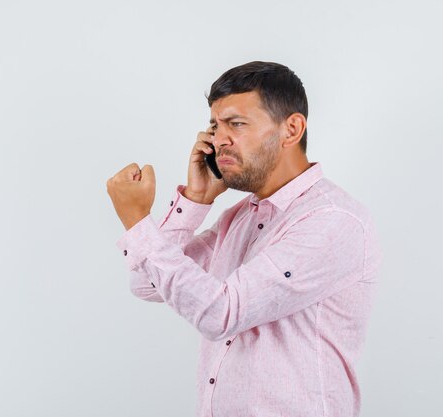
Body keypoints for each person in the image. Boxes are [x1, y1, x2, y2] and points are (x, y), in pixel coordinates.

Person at [106, 61, 382, 417]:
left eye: (236, 124)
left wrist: (138, 221)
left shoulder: (332, 220)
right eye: (214, 126)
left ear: (292, 129)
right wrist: (196, 198)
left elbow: (221, 313)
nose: (220, 139)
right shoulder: (240, 218)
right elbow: (147, 283)